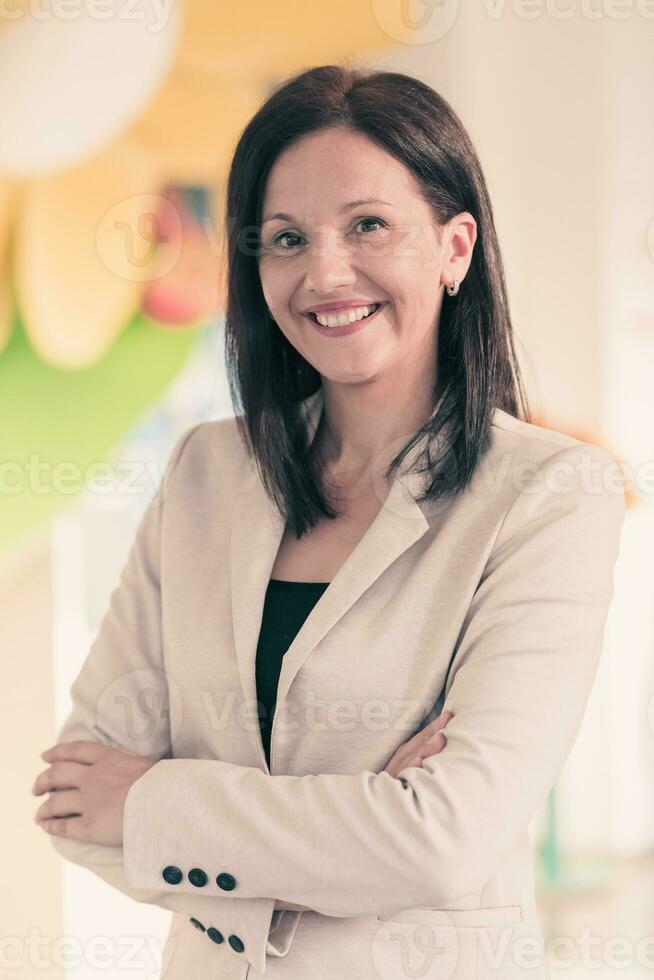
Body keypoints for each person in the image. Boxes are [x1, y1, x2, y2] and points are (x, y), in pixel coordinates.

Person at [32, 64, 625, 980]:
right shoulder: (205, 472)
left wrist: (150, 804)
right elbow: (77, 800)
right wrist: (360, 828)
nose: (324, 272)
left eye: (368, 226)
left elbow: (442, 842)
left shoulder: (550, 494)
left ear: (455, 247)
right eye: (284, 238)